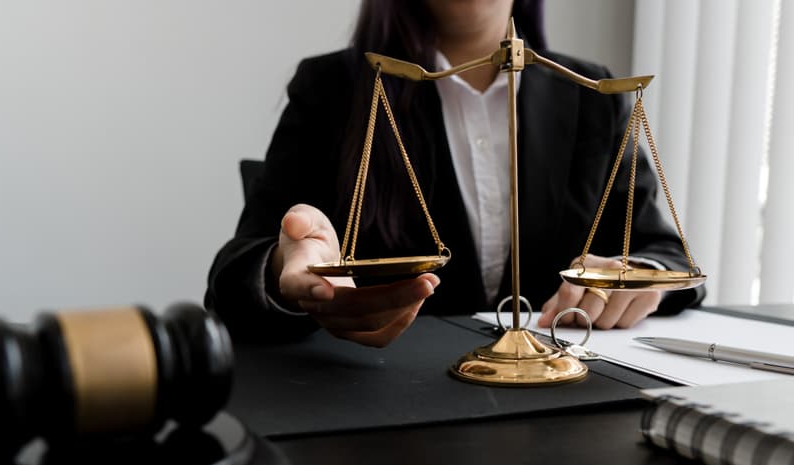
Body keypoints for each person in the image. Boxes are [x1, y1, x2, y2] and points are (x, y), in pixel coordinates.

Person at [206, 0, 704, 347]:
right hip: (392, 409)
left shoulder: (594, 97)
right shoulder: (333, 89)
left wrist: (643, 279)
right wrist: (283, 270)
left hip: (559, 406)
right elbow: (231, 277)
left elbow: (665, 254)